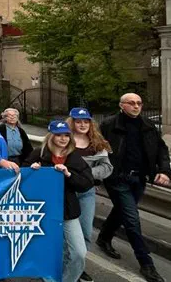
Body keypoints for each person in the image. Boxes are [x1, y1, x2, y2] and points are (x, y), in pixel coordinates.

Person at [97, 93, 171, 282]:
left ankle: (103, 237)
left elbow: (162, 149)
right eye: (131, 103)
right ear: (122, 105)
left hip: (139, 178)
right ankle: (146, 264)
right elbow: (95, 147)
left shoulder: (148, 125)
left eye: (139, 103)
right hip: (116, 178)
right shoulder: (109, 124)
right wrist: (95, 176)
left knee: (121, 211)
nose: (136, 106)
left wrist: (164, 170)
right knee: (132, 220)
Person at [24, 120, 94, 282]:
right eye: (58, 135)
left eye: (66, 135)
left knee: (79, 252)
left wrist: (69, 175)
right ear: (50, 136)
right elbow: (22, 181)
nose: (63, 139)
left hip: (67, 211)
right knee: (47, 250)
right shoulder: (38, 154)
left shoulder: (73, 156)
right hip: (43, 212)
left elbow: (86, 183)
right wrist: (32, 171)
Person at [68, 107, 113, 282]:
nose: (82, 124)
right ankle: (65, 265)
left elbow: (107, 167)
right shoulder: (64, 140)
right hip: (66, 193)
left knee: (85, 231)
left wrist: (86, 174)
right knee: (66, 234)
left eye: (86, 121)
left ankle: (79, 267)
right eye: (78, 121)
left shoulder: (97, 143)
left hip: (86, 192)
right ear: (72, 122)